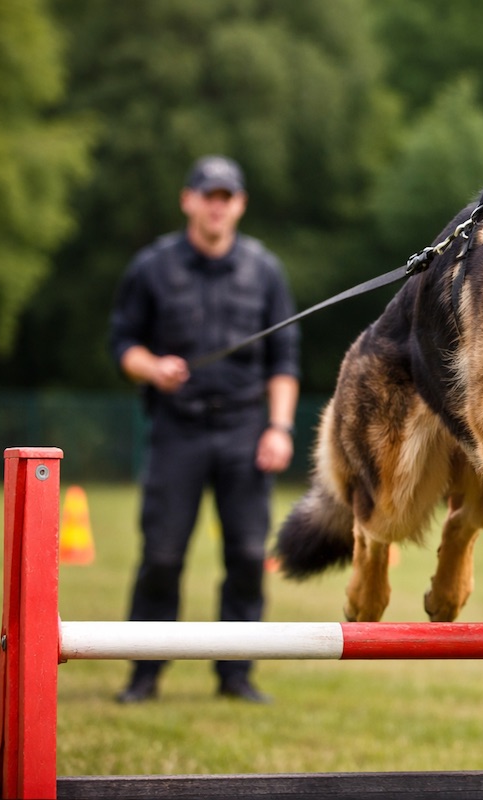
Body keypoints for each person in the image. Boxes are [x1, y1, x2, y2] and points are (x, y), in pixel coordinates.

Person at [108, 155, 300, 704]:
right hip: (177, 430)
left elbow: (284, 360)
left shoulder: (264, 269)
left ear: (239, 204)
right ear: (188, 200)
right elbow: (122, 344)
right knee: (162, 556)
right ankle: (144, 675)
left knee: (245, 555)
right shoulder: (152, 267)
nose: (217, 205)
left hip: (245, 430)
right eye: (207, 195)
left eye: (227, 196)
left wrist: (280, 429)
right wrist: (151, 368)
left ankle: (235, 675)